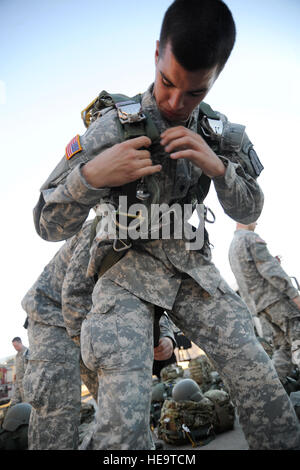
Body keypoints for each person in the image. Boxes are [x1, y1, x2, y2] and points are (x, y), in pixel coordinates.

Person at [32, 0, 300, 450]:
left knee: (261, 383)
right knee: (123, 426)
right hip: (124, 276)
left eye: (193, 92)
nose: (175, 103)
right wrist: (93, 177)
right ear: (157, 54)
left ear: (218, 75)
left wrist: (218, 168)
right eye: (167, 83)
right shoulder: (112, 129)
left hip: (191, 271)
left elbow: (250, 206)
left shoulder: (220, 134)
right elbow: (45, 220)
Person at [21, 220, 175, 450]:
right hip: (51, 316)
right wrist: (99, 349)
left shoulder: (156, 243)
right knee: (58, 410)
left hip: (93, 322)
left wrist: (167, 335)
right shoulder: (103, 227)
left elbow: (152, 296)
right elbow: (73, 297)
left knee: (121, 403)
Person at [229, 221, 300, 383]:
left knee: (284, 348)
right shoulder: (249, 237)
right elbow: (270, 270)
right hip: (276, 302)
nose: (256, 221)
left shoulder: (232, 248)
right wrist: (295, 296)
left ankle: (273, 390)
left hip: (260, 309)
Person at [10, 337, 29, 407]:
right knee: (15, 402)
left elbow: (28, 369)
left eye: (16, 346)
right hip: (18, 383)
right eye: (14, 346)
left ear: (20, 343)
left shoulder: (27, 352)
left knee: (26, 403)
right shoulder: (17, 355)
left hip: (25, 384)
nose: (15, 348)